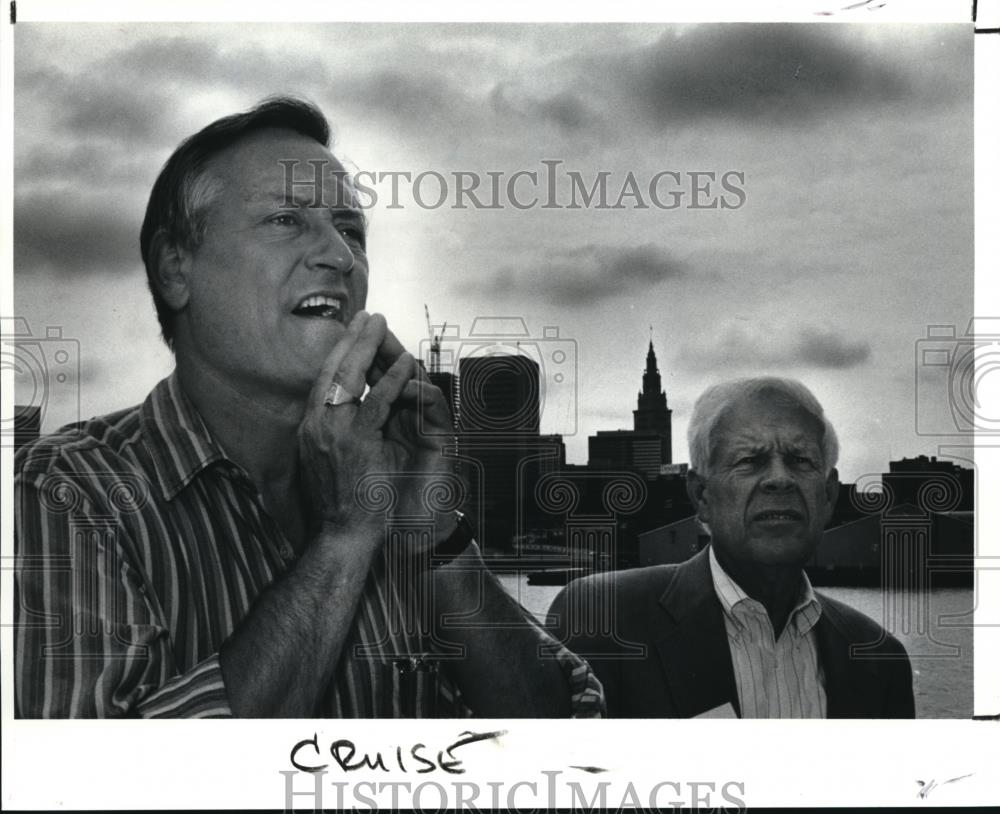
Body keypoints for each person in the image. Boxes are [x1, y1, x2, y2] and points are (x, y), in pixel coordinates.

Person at [14, 96, 603, 719]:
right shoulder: (64, 494)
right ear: (175, 268)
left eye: (351, 231)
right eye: (286, 220)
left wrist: (432, 532)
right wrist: (347, 536)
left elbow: (566, 733)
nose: (341, 257)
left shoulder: (390, 487)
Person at [548, 377, 914, 718]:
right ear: (701, 495)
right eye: (749, 461)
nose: (779, 479)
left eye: (801, 460)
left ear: (829, 494)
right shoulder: (602, 619)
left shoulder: (881, 661)